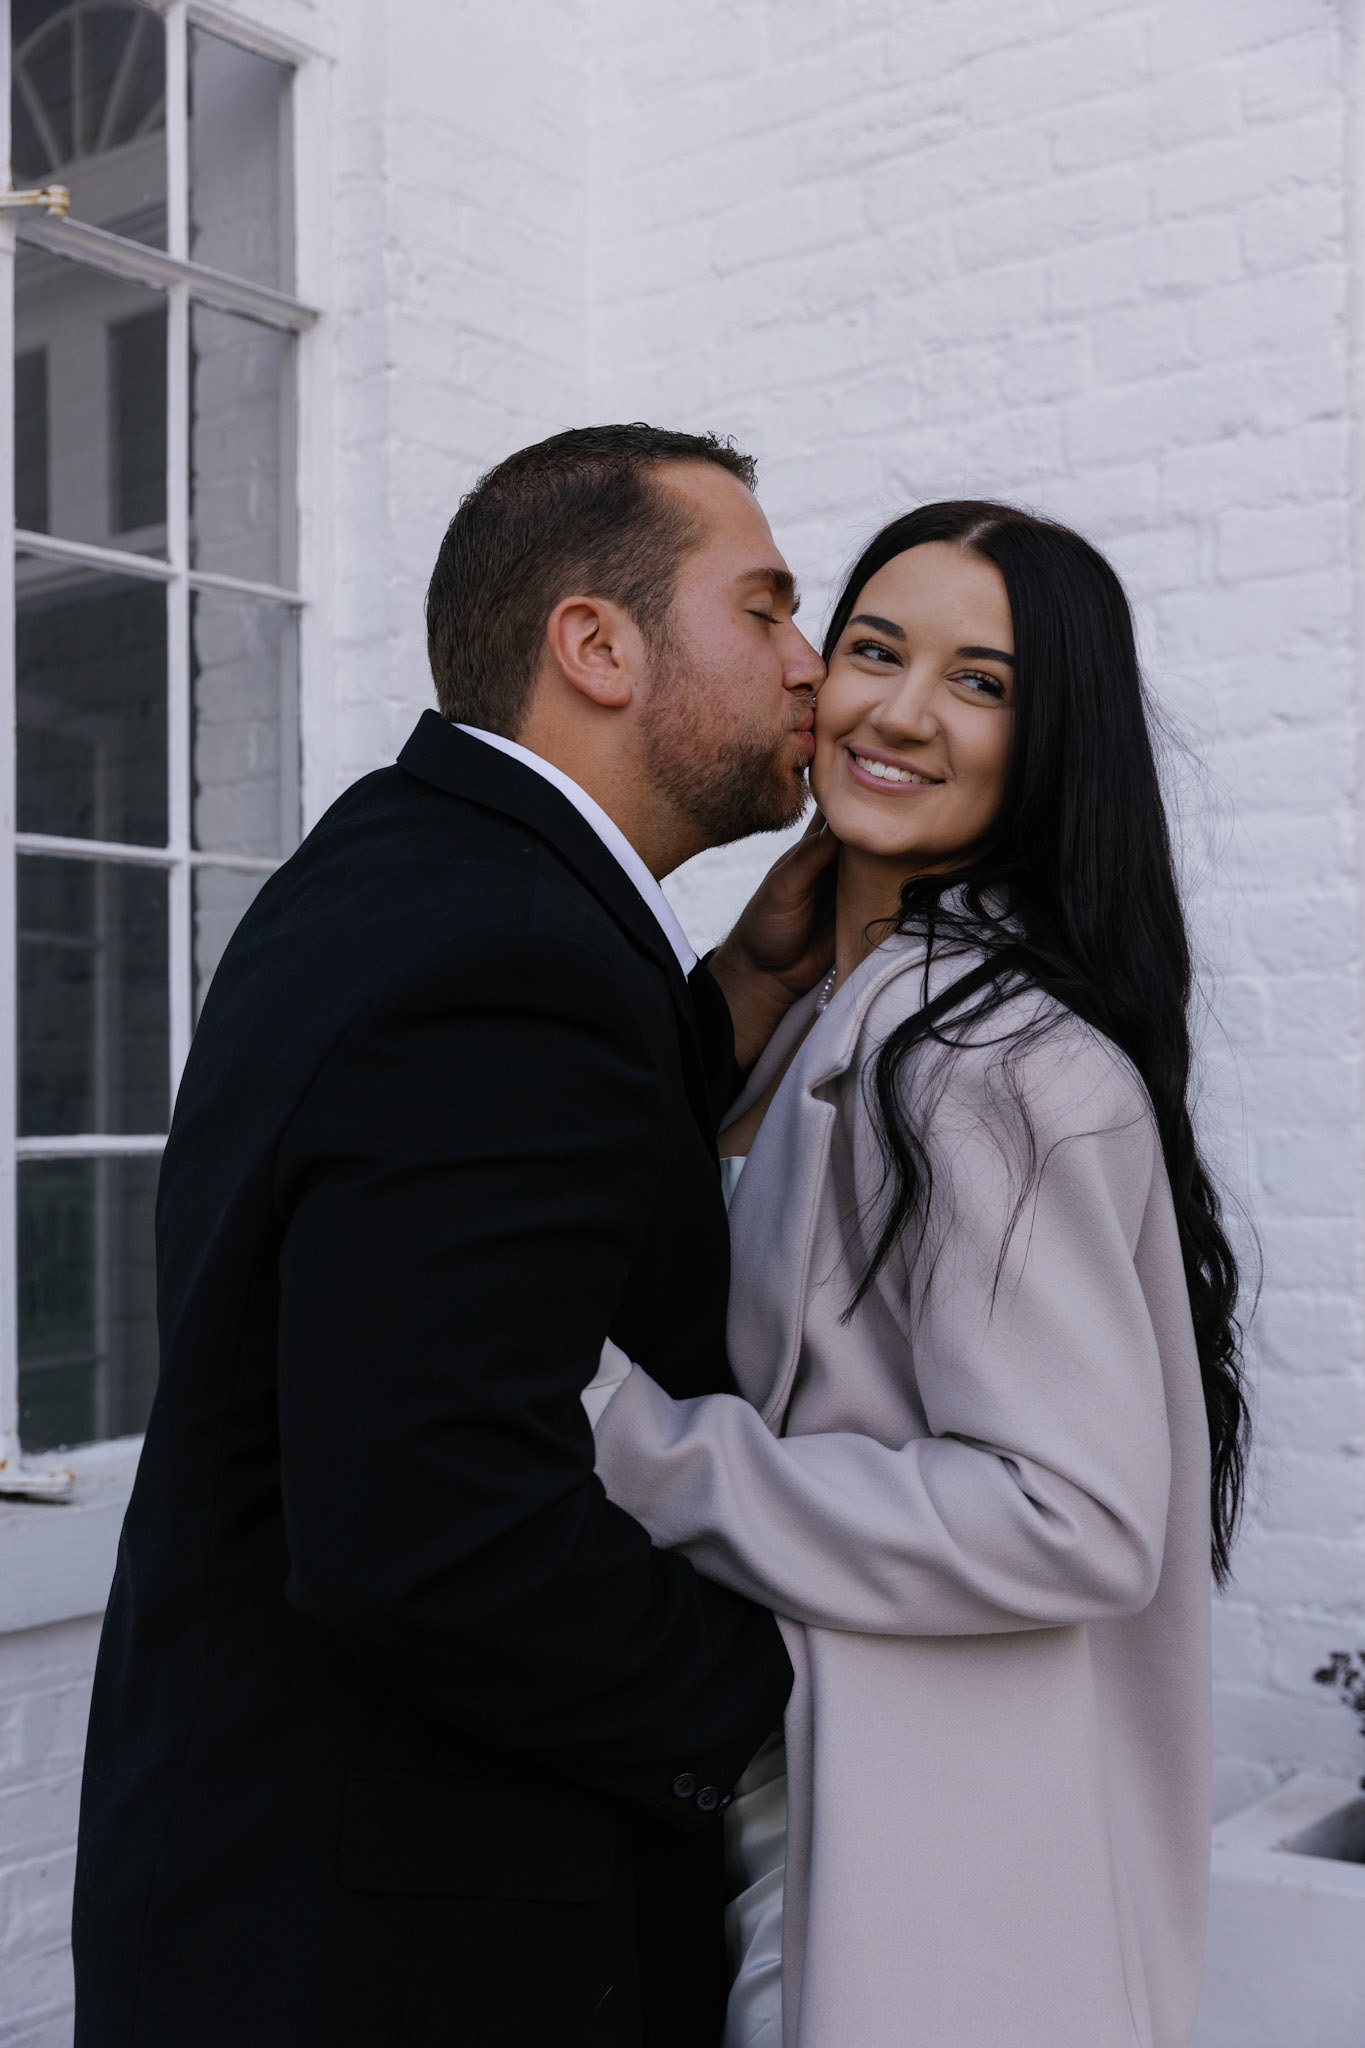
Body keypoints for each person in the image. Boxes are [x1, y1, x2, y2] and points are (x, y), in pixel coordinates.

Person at [72, 425, 837, 2048]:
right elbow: (434, 1527)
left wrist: (736, 997)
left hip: (265, 1896)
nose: (812, 666)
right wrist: (774, 1715)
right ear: (596, 646)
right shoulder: (509, 952)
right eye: (766, 608)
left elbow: (516, 1190)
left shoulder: (418, 871)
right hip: (405, 1960)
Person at [588, 501, 1251, 2048]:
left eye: (979, 682)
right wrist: (742, 998)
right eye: (874, 650)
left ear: (1052, 743)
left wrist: (643, 1449)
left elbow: (1072, 1519)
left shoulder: (990, 1061)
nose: (896, 711)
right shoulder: (857, 1013)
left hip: (928, 1869)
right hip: (800, 1813)